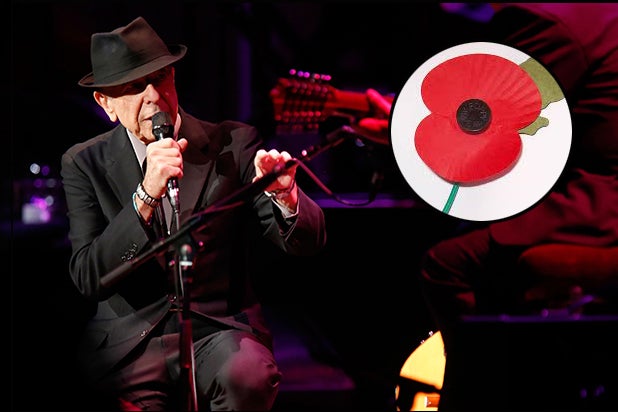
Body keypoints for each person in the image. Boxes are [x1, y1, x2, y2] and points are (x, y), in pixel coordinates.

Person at [357, 3, 618, 410]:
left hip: (601, 204)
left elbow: (492, 130)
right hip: (600, 190)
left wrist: (401, 135)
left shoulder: (546, 21)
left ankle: (483, 396)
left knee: (447, 264)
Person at [60, 16, 327, 411]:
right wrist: (145, 195)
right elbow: (88, 277)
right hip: (130, 344)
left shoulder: (232, 144)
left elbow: (307, 243)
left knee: (248, 377)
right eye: (134, 87)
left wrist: (287, 198)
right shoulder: (84, 163)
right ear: (106, 104)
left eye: (160, 77)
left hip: (217, 333)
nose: (153, 96)